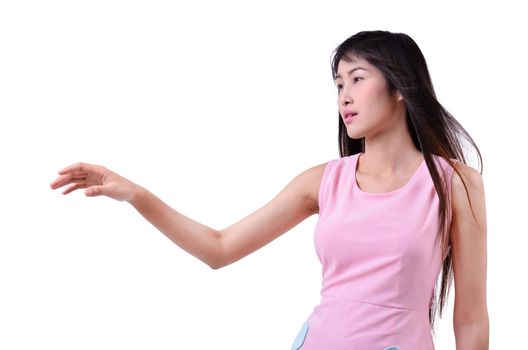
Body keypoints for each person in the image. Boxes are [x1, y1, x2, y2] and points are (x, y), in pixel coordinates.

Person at [49, 30, 488, 349]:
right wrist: (136, 194)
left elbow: (469, 320)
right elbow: (219, 248)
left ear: (400, 88)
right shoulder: (323, 181)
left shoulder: (455, 185)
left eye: (357, 79)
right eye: (338, 84)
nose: (344, 96)